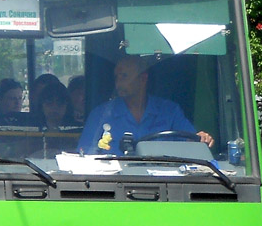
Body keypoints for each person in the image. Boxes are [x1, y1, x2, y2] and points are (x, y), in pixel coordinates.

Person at [78, 54, 213, 154]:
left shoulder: (169, 112)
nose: (118, 83)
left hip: (166, 186)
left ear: (143, 79)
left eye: (124, 76)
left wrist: (201, 139)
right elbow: (83, 156)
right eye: (116, 77)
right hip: (114, 185)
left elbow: (192, 145)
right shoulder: (101, 114)